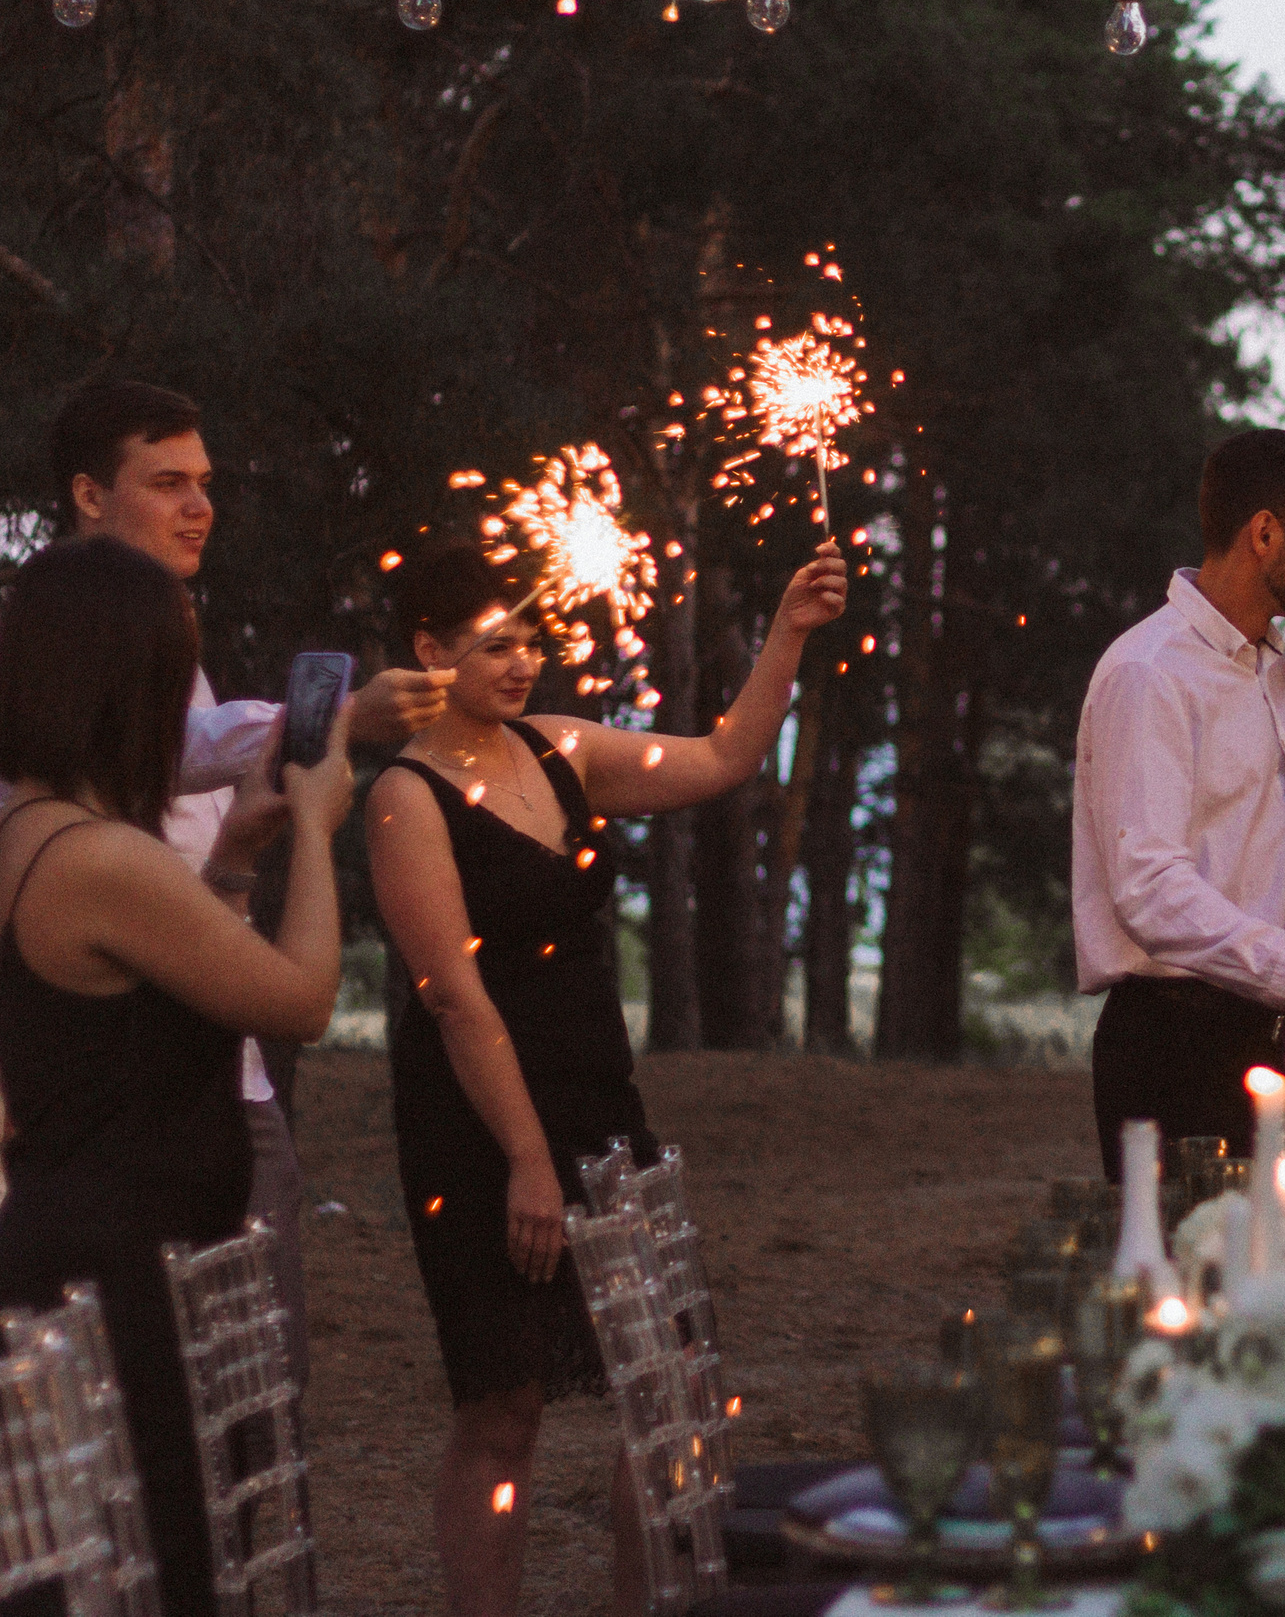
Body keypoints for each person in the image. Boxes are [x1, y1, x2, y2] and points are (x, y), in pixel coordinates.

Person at [367, 536, 843, 1617]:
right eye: (494, 644)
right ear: (428, 648)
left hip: (596, 1098)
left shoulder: (559, 752)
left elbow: (722, 759)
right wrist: (528, 1162)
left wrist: (787, 634)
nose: (521, 661)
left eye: (530, 639)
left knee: (667, 1384)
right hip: (480, 1122)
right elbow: (453, 995)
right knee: (507, 1402)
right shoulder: (403, 799)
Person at [46, 379, 451, 1394]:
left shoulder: (161, 627)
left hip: (220, 1066)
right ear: (89, 495)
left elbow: (181, 805)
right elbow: (150, 751)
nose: (200, 507)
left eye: (207, 483)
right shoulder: (52, 636)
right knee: (201, 1414)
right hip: (129, 1077)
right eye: (168, 483)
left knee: (260, 1402)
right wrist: (331, 726)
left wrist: (238, 848)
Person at [0, 537, 353, 1617]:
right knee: (146, 1570)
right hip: (118, 1283)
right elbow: (299, 1001)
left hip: (86, 1254)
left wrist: (239, 852)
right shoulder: (104, 858)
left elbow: (158, 999)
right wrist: (321, 828)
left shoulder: (36, 830)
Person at [1074, 428, 1285, 1179]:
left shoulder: (1277, 672)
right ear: (1264, 533)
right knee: (1190, 1279)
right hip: (1174, 1038)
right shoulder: (1150, 673)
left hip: (1268, 1026)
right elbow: (1148, 888)